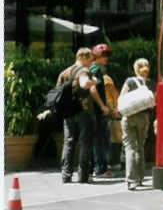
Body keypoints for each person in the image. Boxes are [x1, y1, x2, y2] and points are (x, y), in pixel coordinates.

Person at [38, 48, 99, 183]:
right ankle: (83, 175)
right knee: (85, 142)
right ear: (83, 57)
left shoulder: (64, 72)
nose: (91, 63)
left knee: (69, 142)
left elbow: (58, 93)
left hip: (68, 112)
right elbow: (85, 83)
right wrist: (93, 81)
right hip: (84, 110)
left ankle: (66, 175)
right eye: (90, 59)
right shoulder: (83, 70)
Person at [119, 58, 154, 191]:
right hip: (144, 118)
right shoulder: (150, 84)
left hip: (129, 117)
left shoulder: (129, 81)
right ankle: (139, 179)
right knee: (140, 147)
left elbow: (122, 98)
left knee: (130, 147)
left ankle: (130, 180)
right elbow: (152, 104)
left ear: (135, 69)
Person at [90, 44, 115, 178]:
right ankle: (100, 169)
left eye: (107, 56)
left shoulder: (95, 69)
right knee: (100, 139)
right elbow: (93, 89)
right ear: (97, 56)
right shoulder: (95, 69)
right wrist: (102, 106)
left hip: (97, 110)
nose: (106, 58)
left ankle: (99, 167)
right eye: (104, 55)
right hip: (97, 111)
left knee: (100, 138)